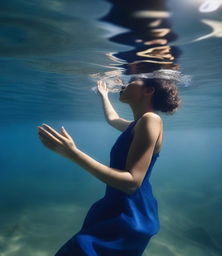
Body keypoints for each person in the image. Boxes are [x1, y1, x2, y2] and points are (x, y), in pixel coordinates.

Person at [37, 76, 181, 256]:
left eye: (131, 80)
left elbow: (132, 182)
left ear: (148, 90)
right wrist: (104, 95)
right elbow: (113, 119)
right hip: (117, 208)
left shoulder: (151, 119)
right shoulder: (139, 123)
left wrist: (72, 153)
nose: (124, 84)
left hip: (128, 214)